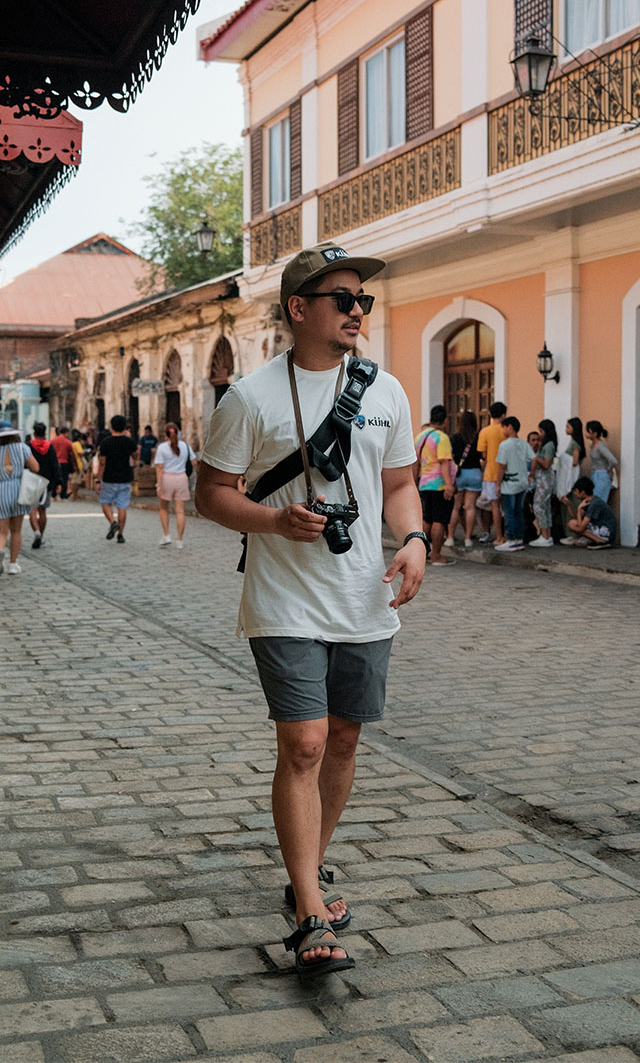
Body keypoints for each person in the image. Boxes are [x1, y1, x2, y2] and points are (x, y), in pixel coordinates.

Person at [195, 240, 426, 977]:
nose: (359, 310)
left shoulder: (385, 390)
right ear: (301, 309)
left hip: (364, 597)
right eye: (344, 299)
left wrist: (414, 537)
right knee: (303, 744)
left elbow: (397, 484)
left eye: (363, 299)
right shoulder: (251, 398)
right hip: (284, 598)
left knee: (346, 742)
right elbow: (212, 494)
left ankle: (309, 869)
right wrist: (274, 522)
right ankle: (306, 906)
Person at [414, 408, 455, 566]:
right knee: (439, 520)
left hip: (424, 483)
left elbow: (415, 462)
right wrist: (449, 484)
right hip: (438, 484)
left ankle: (422, 553)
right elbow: (444, 462)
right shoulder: (442, 438)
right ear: (444, 421)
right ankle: (436, 555)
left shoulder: (420, 436)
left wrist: (414, 481)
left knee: (426, 520)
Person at [0, 421, 40, 575]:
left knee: (2, 532)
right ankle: (13, 565)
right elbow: (35, 467)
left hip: (1, 490)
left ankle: (1, 550)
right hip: (19, 489)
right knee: (16, 530)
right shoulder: (22, 447)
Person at [95, 415, 138, 544]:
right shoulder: (129, 442)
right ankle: (120, 534)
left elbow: (102, 463)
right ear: (124, 427)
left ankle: (113, 522)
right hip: (125, 478)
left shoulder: (105, 443)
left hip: (109, 478)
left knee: (105, 502)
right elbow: (136, 457)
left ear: (111, 427)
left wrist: (98, 480)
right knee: (122, 506)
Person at [155, 423, 197, 549]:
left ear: (165, 434)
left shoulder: (162, 447)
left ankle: (166, 535)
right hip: (181, 479)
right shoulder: (185, 446)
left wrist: (158, 484)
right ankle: (180, 540)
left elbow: (160, 467)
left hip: (167, 478)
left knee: (163, 508)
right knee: (180, 511)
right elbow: (194, 462)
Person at [494, 416, 534, 551]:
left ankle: (511, 539)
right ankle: (519, 539)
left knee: (509, 512)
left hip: (509, 484)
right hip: (522, 483)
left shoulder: (504, 445)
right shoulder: (524, 443)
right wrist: (531, 475)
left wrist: (497, 484)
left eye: (504, 427)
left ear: (509, 427)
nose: (503, 430)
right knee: (518, 511)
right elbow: (533, 459)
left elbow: (501, 467)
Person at [446, 410, 481, 550]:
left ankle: (450, 537)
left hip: (459, 474)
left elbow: (451, 457)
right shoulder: (477, 437)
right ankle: (468, 538)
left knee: (455, 507)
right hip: (474, 473)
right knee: (470, 507)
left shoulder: (455, 438)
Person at [477, 401, 507, 546]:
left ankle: (498, 536)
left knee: (494, 506)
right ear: (503, 415)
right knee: (507, 506)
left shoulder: (485, 431)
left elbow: (483, 454)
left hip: (491, 472)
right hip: (507, 472)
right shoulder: (507, 430)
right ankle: (507, 535)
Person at [28, 422, 61, 549]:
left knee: (32, 509)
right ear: (45, 433)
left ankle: (36, 532)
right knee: (43, 510)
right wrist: (59, 482)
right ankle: (40, 536)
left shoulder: (29, 446)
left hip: (32, 481)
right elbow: (55, 465)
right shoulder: (50, 447)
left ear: (34, 433)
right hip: (47, 482)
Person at [529, 418, 557, 547]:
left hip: (545, 479)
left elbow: (546, 464)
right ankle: (546, 534)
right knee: (544, 507)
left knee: (538, 506)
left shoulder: (549, 445)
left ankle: (545, 535)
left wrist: (535, 457)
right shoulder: (545, 445)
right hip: (541, 479)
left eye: (541, 431)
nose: (539, 434)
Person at [557, 417, 586, 543]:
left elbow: (574, 461)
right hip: (568, 479)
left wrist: (564, 459)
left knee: (571, 507)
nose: (566, 429)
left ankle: (573, 533)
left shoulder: (575, 445)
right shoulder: (572, 442)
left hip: (571, 480)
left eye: (568, 427)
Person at [568, 476, 617, 548]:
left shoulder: (594, 504)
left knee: (572, 524)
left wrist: (579, 509)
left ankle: (600, 541)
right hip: (599, 528)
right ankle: (594, 539)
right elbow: (577, 518)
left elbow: (580, 527)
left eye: (576, 491)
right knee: (572, 523)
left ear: (582, 492)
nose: (574, 493)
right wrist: (568, 505)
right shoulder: (587, 501)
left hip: (607, 533)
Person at [585, 420, 617, 503]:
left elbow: (613, 460)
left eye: (588, 431)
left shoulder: (601, 446)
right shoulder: (592, 444)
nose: (586, 433)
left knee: (598, 502)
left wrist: (609, 469)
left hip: (602, 476)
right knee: (595, 500)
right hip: (595, 474)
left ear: (594, 434)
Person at [51, 426, 76, 499]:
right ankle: (63, 494)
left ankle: (53, 493)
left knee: (55, 478)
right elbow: (71, 455)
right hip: (64, 462)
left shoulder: (53, 441)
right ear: (66, 433)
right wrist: (74, 464)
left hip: (55, 462)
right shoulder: (68, 442)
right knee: (64, 479)